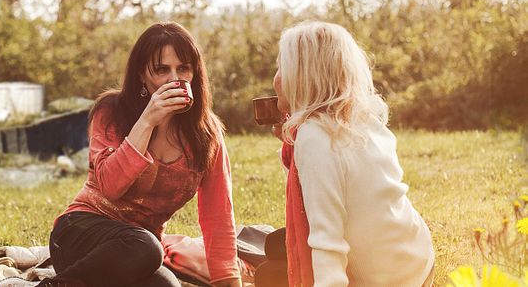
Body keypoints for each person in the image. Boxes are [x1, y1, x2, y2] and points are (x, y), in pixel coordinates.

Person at [42, 22, 242, 287]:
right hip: (81, 233)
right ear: (142, 75)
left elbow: (218, 214)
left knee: (166, 284)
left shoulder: (207, 134)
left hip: (140, 255)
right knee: (145, 246)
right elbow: (110, 187)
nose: (175, 79)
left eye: (183, 68)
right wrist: (147, 120)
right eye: (162, 70)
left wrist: (227, 281)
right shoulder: (111, 112)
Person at [270, 21, 435, 287]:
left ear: (302, 77)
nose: (276, 79)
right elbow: (335, 183)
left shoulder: (314, 137)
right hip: (417, 260)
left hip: (384, 279)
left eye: (281, 67)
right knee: (276, 248)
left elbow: (326, 240)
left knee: (271, 270)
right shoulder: (364, 119)